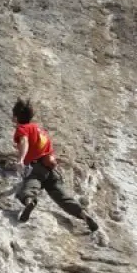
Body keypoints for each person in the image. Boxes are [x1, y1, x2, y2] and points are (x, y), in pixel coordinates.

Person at [12, 98, 99, 231]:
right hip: (51, 169)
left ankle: (29, 203)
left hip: (36, 167)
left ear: (16, 117)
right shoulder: (40, 130)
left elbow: (24, 142)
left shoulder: (23, 129)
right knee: (63, 197)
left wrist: (21, 159)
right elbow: (49, 150)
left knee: (29, 189)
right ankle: (83, 214)